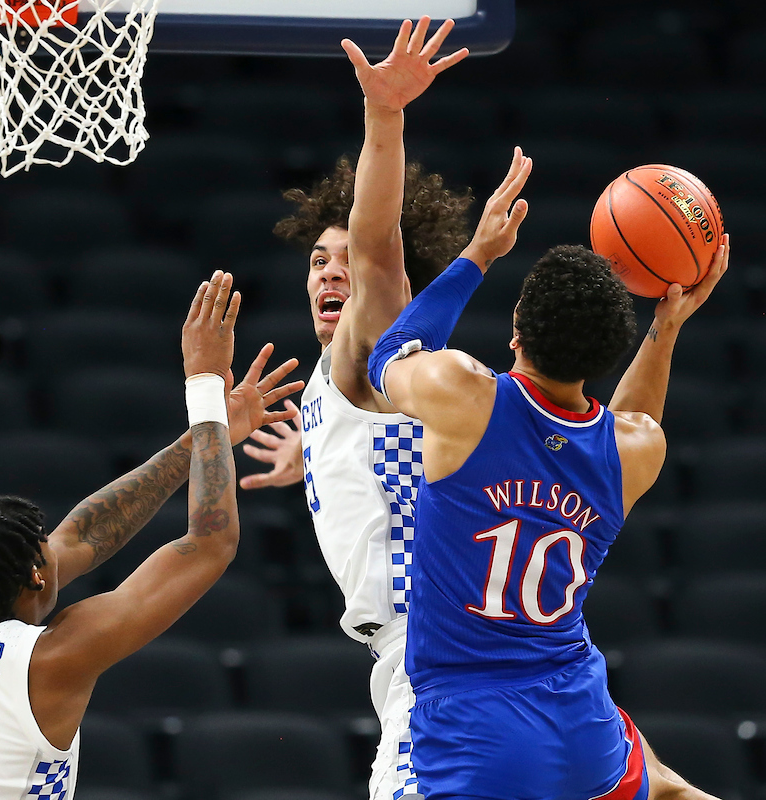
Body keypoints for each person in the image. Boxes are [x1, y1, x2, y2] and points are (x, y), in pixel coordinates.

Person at [367, 148, 729, 800]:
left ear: (516, 328)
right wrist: (667, 327)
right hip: (579, 714)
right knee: (669, 788)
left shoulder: (463, 394)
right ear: (605, 353)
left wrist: (478, 253)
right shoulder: (637, 451)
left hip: (472, 724)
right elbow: (630, 423)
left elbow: (387, 354)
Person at [0, 272, 303, 800]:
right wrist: (204, 388)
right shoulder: (51, 660)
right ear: (33, 573)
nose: (58, 545)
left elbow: (83, 534)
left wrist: (203, 440)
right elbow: (209, 543)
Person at [239, 18, 472, 800]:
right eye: (315, 262)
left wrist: (385, 117)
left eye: (341, 264)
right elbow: (381, 447)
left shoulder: (378, 344)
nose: (329, 274)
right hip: (451, 648)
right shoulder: (383, 382)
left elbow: (377, 248)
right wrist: (310, 451)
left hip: (432, 654)